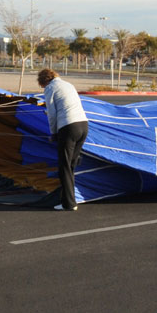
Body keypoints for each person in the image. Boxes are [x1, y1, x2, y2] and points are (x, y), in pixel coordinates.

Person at [38, 69, 89, 211]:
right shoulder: (68, 85)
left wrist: (53, 133)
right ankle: (71, 198)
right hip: (83, 125)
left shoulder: (50, 88)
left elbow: (52, 114)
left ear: (44, 81)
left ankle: (69, 203)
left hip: (68, 127)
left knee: (64, 167)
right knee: (71, 165)